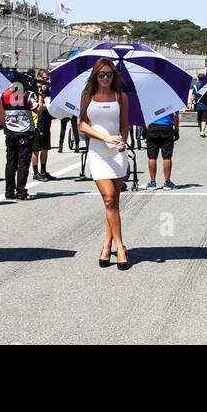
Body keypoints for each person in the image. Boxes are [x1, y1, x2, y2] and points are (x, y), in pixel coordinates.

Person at [79, 59, 131, 270]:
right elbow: (82, 124)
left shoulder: (121, 96)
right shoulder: (87, 96)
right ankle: (120, 247)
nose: (105, 78)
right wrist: (104, 138)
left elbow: (125, 124)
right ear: (95, 76)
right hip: (98, 152)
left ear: (113, 76)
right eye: (101, 74)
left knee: (113, 204)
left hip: (117, 154)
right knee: (109, 198)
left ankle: (107, 244)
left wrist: (123, 141)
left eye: (108, 74)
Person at [2, 74, 37, 200]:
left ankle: (9, 191)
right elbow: (37, 109)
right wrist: (41, 97)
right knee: (23, 163)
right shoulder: (27, 95)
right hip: (24, 132)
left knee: (10, 162)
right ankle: (21, 191)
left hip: (10, 131)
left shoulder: (4, 94)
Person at [143, 108, 179, 189]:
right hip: (166, 128)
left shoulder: (149, 102)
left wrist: (144, 130)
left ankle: (152, 182)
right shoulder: (171, 100)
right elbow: (175, 116)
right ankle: (167, 181)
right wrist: (176, 130)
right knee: (167, 156)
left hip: (152, 127)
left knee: (152, 157)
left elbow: (143, 116)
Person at [30, 70, 55, 182]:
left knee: (45, 148)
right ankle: (35, 172)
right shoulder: (34, 91)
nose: (46, 81)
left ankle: (44, 171)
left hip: (46, 122)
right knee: (36, 149)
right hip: (36, 123)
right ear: (39, 78)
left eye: (47, 79)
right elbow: (38, 109)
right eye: (44, 79)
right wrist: (43, 100)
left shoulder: (48, 91)